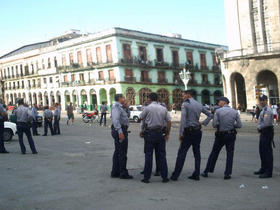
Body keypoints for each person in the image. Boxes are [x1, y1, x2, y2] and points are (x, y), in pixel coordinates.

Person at [170, 90, 212, 181]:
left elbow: (183, 120)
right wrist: (204, 123)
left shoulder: (185, 104)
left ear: (188, 95)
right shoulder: (198, 104)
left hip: (188, 132)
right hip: (197, 131)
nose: (183, 97)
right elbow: (210, 115)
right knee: (197, 153)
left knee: (182, 153)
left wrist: (181, 133)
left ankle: (175, 175)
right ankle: (196, 174)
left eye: (183, 95)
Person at [201, 97, 242, 180]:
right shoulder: (234, 111)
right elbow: (239, 125)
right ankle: (227, 174)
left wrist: (221, 125)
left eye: (219, 101)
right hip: (231, 135)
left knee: (214, 153)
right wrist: (231, 126)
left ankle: (207, 171)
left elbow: (214, 125)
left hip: (221, 135)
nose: (218, 103)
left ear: (224, 102)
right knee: (230, 154)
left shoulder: (218, 111)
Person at [140, 93, 171, 183]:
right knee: (162, 156)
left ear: (149, 99)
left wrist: (142, 131)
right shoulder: (163, 108)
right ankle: (164, 177)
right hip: (160, 134)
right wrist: (168, 133)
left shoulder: (147, 108)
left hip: (150, 133)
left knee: (148, 156)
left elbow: (141, 119)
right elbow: (169, 122)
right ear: (157, 99)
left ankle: (146, 178)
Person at [111, 94, 133, 179]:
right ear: (120, 98)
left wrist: (127, 108)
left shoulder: (121, 107)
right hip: (120, 130)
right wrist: (120, 132)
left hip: (121, 130)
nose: (124, 99)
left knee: (118, 152)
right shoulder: (116, 107)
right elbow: (115, 120)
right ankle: (123, 173)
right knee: (122, 153)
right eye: (123, 97)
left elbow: (127, 117)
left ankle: (115, 172)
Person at [254, 95, 274, 178]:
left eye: (263, 100)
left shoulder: (268, 110)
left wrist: (259, 127)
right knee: (262, 151)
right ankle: (263, 168)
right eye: (260, 100)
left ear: (266, 100)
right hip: (263, 132)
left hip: (267, 132)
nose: (262, 102)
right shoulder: (263, 110)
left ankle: (268, 172)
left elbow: (266, 123)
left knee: (267, 152)